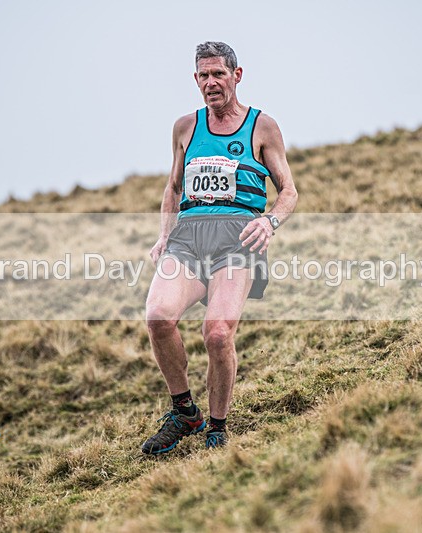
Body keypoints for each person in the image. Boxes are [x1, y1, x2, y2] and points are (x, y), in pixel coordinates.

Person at [141, 42, 298, 454]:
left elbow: (289, 191)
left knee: (217, 333)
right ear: (195, 79)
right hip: (189, 238)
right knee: (158, 317)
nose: (210, 82)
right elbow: (173, 188)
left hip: (238, 239)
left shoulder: (262, 127)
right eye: (203, 75)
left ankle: (217, 426)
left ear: (236, 75)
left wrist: (269, 221)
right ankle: (184, 412)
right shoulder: (185, 128)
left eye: (218, 74)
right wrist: (164, 235)